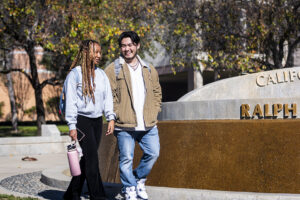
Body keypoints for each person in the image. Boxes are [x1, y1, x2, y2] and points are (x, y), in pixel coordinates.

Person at [105, 31, 162, 200]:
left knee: (153, 153)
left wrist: (155, 109)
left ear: (137, 45)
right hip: (125, 124)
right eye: (123, 45)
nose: (127, 49)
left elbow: (157, 91)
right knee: (126, 159)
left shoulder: (149, 69)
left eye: (130, 45)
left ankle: (138, 180)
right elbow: (109, 95)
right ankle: (129, 188)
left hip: (148, 123)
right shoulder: (113, 69)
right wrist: (114, 115)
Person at [63, 39, 115, 200]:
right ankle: (97, 195)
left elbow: (108, 98)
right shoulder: (75, 74)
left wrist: (110, 118)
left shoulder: (101, 75)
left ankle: (72, 193)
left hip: (97, 121)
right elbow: (70, 101)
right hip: (81, 120)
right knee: (92, 158)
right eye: (96, 52)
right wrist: (72, 125)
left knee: (87, 159)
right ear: (86, 53)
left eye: (100, 52)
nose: (99, 55)